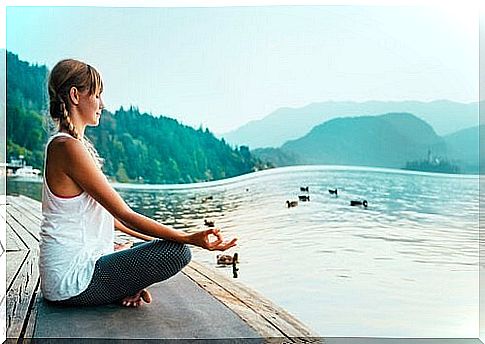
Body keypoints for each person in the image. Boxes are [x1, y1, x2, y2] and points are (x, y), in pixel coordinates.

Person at [40, 59, 237, 308]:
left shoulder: (69, 145)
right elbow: (124, 213)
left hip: (74, 272)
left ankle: (126, 284)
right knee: (176, 252)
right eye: (97, 95)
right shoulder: (67, 147)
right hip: (72, 281)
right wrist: (188, 238)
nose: (102, 104)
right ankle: (124, 285)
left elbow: (114, 221)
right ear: (75, 95)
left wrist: (138, 268)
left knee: (153, 244)